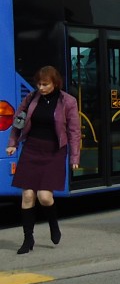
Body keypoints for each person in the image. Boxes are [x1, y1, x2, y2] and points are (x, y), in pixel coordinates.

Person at [6, 66, 81, 255]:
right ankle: (27, 239)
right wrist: (13, 143)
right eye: (38, 84)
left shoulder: (68, 101)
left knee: (45, 197)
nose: (41, 87)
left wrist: (74, 157)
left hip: (54, 151)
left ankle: (53, 225)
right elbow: (18, 121)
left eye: (45, 84)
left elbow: (74, 131)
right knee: (28, 196)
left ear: (55, 83)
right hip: (31, 149)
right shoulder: (31, 98)